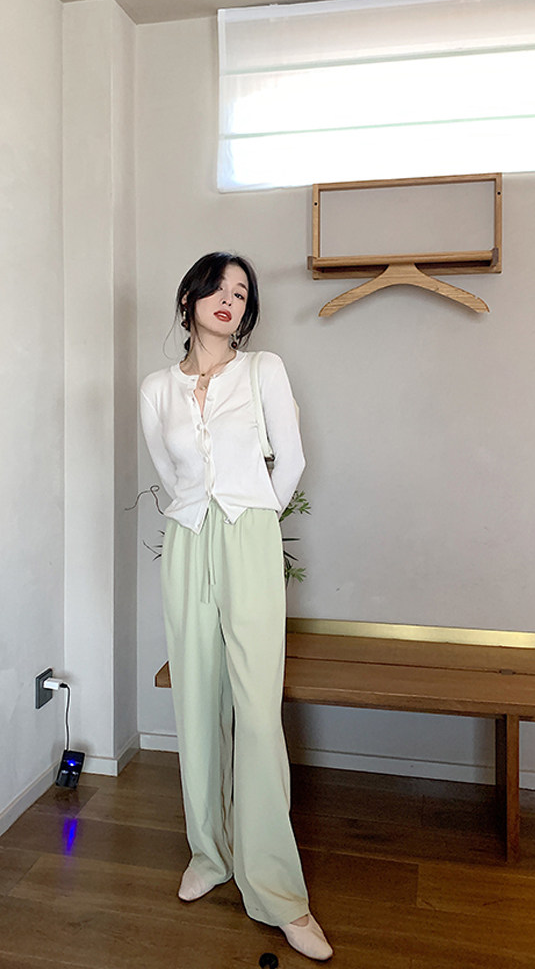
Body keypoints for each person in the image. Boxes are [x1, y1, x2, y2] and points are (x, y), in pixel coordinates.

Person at [140, 252, 332, 961]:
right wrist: (204, 516)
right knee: (196, 701)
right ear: (189, 298)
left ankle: (278, 890)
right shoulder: (156, 389)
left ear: (246, 313)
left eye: (240, 293)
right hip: (188, 538)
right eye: (216, 288)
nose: (227, 299)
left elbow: (293, 459)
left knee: (255, 712)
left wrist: (252, 518)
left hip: (249, 534)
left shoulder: (263, 370)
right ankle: (210, 853)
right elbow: (169, 475)